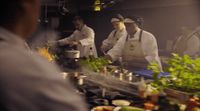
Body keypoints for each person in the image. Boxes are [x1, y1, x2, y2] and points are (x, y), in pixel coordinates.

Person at [0, 0, 87, 111]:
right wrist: (56, 43)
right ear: (26, 5)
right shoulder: (32, 67)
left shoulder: (89, 31)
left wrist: (75, 42)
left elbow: (88, 40)